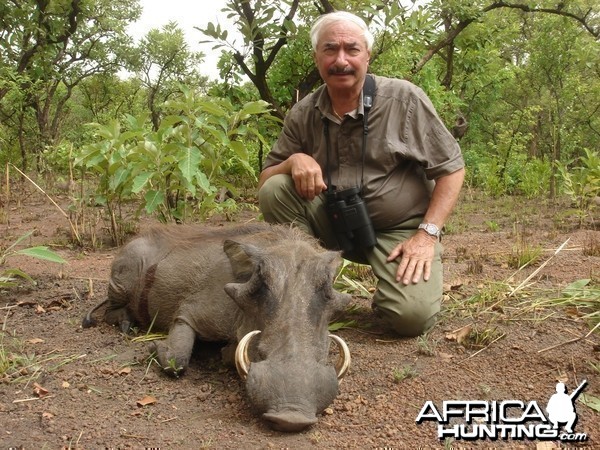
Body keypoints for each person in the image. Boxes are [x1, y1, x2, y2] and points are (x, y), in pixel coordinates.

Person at [257, 11, 465, 337]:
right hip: (333, 221)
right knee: (276, 188)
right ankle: (308, 290)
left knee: (411, 318)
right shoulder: (303, 112)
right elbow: (266, 179)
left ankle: (395, 293)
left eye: (351, 49)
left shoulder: (404, 99)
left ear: (367, 55)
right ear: (316, 57)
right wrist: (292, 160)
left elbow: (452, 168)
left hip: (399, 229)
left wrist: (426, 235)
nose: (341, 60)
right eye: (330, 49)